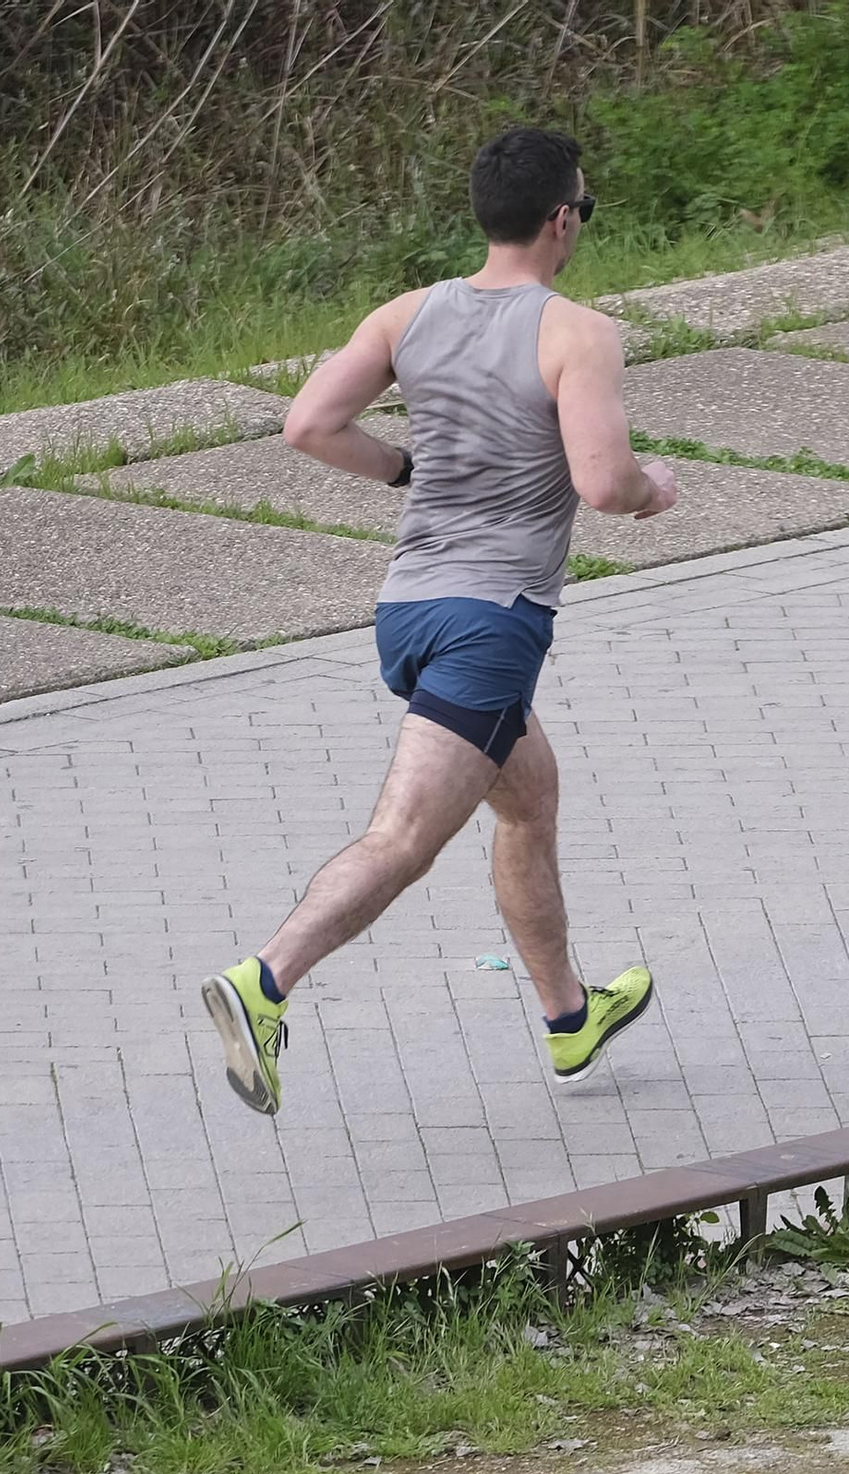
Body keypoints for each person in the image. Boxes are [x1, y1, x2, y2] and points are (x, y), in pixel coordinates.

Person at [202, 124, 677, 1117]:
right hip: (489, 622)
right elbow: (600, 483)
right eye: (581, 211)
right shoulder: (575, 332)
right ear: (560, 220)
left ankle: (567, 1015)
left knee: (528, 799)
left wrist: (405, 469)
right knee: (405, 838)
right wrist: (651, 491)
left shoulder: (408, 314)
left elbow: (308, 425)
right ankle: (266, 982)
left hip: (409, 611)